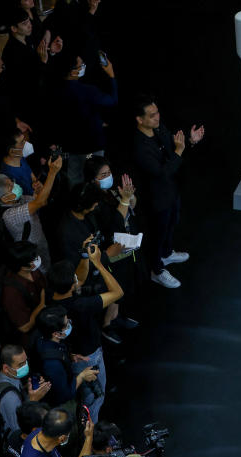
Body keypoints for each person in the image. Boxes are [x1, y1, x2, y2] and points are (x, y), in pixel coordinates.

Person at [132, 95, 203, 288]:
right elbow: (161, 172)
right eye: (152, 115)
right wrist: (179, 152)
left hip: (171, 189)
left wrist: (190, 141)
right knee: (158, 232)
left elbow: (174, 149)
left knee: (173, 221)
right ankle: (156, 270)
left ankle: (167, 253)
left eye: (157, 113)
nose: (157, 118)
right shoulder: (140, 147)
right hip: (155, 196)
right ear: (140, 119)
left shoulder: (159, 129)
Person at [46, 249, 123, 423]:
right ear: (71, 284)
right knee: (95, 399)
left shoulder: (52, 300)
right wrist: (98, 264)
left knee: (84, 395)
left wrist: (84, 256)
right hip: (88, 358)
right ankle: (90, 432)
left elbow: (78, 280)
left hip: (69, 355)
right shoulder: (80, 306)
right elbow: (117, 292)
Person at [56, 184, 124, 345]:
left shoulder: (86, 216)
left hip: (97, 274)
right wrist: (107, 255)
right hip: (87, 286)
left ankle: (113, 319)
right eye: (94, 203)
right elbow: (78, 272)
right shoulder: (67, 233)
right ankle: (105, 328)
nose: (96, 205)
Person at [84, 157, 141, 330]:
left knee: (125, 283)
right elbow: (114, 224)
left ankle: (117, 317)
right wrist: (124, 200)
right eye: (103, 174)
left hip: (125, 245)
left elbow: (131, 206)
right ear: (92, 179)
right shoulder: (94, 200)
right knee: (115, 285)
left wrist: (129, 198)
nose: (108, 177)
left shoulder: (111, 191)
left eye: (109, 173)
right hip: (111, 250)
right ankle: (108, 325)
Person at [55, 50, 117, 187]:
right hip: (92, 146)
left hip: (71, 148)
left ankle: (78, 205)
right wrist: (111, 75)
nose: (84, 65)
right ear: (72, 72)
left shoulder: (55, 91)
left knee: (75, 182)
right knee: (99, 178)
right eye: (80, 65)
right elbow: (112, 100)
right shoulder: (88, 91)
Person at [0, 153, 62, 270]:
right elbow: (39, 202)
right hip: (30, 255)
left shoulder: (20, 199)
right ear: (4, 199)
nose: (15, 185)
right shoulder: (9, 215)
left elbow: (42, 201)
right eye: (10, 186)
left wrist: (39, 189)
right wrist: (52, 172)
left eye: (11, 182)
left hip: (41, 242)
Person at [33, 306, 100, 409]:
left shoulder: (42, 339)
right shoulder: (52, 365)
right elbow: (65, 395)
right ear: (56, 334)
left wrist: (68, 357)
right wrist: (82, 376)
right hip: (59, 404)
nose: (70, 323)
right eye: (66, 324)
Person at [0, 343, 50, 437]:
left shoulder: (12, 376)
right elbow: (19, 431)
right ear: (6, 368)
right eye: (21, 364)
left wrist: (29, 388)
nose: (25, 366)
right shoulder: (10, 398)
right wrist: (33, 400)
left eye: (26, 361)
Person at [0, 240, 47, 346]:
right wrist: (42, 304)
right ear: (22, 266)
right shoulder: (11, 293)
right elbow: (24, 327)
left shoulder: (33, 270)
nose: (37, 259)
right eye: (34, 258)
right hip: (32, 339)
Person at [0, 129, 37, 195]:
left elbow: (32, 175)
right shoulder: (9, 175)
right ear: (12, 151)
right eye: (22, 143)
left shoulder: (20, 157)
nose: (26, 144)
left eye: (24, 140)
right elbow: (31, 197)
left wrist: (35, 182)